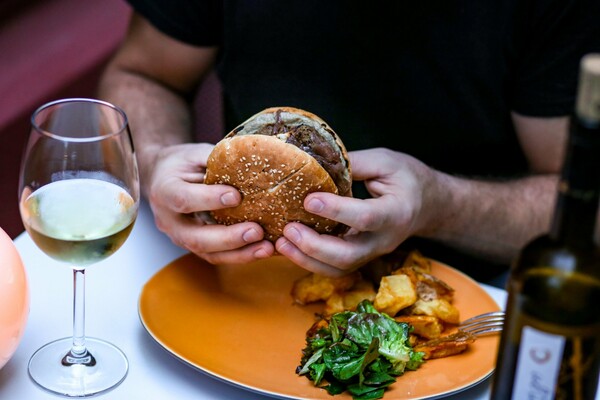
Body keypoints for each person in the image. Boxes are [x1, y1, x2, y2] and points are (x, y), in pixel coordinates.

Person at [98, 1, 600, 283]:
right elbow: (143, 74)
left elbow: (587, 209)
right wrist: (159, 157)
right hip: (238, 285)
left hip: (471, 300)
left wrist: (441, 205)